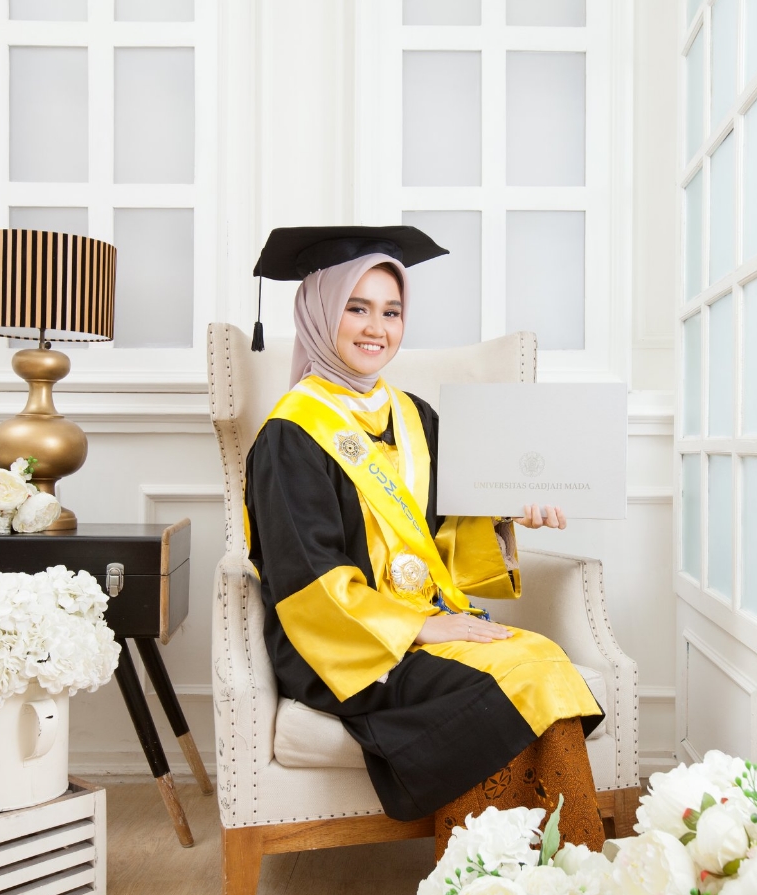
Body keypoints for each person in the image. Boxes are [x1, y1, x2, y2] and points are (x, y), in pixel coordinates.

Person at [244, 226, 605, 856]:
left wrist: (509, 513)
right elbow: (303, 575)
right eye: (355, 308)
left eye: (391, 311)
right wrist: (417, 629)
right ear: (318, 311)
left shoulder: (414, 415)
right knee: (517, 672)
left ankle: (555, 869)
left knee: (541, 661)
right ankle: (493, 873)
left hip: (423, 621)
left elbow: (446, 528)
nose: (375, 328)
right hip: (340, 645)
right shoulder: (290, 435)